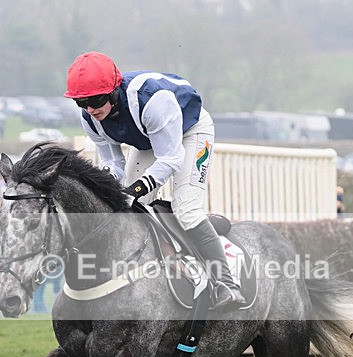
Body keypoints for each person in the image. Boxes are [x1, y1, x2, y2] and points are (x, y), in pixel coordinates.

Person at [64, 51, 244, 310]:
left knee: (187, 209)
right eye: (81, 103)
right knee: (127, 211)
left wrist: (135, 189)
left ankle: (227, 283)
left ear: (113, 92)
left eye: (95, 100)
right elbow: (112, 164)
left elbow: (171, 159)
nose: (90, 109)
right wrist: (110, 188)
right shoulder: (91, 119)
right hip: (149, 138)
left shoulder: (152, 101)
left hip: (190, 131)